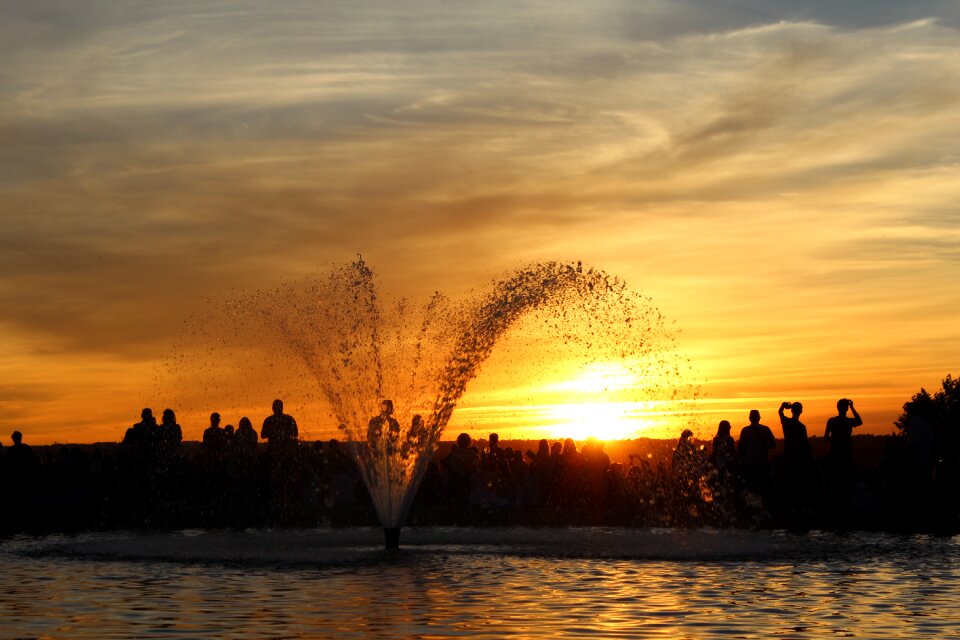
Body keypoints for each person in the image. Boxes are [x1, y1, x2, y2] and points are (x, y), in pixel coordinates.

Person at [737, 409, 776, 506]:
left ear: (749, 418)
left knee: (751, 487)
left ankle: (751, 507)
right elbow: (773, 444)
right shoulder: (766, 429)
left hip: (749, 463)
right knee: (764, 487)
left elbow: (741, 448)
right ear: (759, 418)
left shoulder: (745, 431)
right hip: (763, 462)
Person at [824, 398, 863, 488]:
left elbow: (826, 438)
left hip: (834, 454)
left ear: (837, 408)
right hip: (847, 454)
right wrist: (852, 407)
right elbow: (859, 421)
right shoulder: (849, 421)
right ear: (847, 409)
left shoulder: (831, 421)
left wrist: (834, 440)